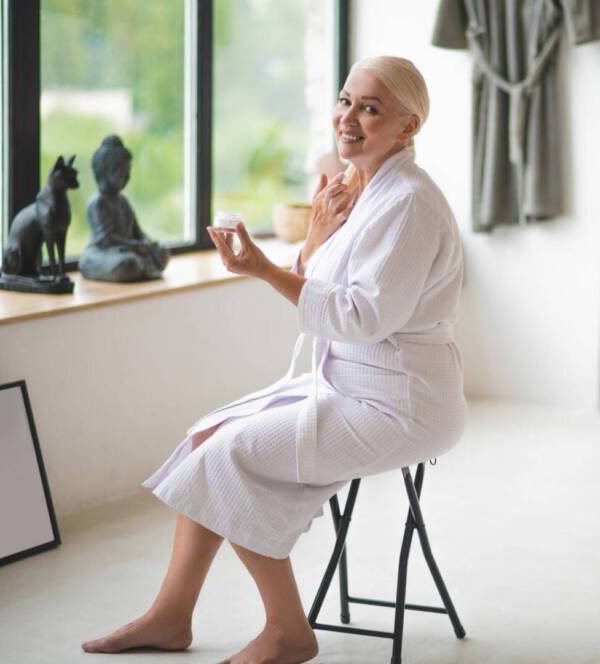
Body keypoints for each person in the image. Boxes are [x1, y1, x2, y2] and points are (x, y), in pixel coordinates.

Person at [81, 55, 467, 664]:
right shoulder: (356, 192)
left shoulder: (409, 204)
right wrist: (314, 240)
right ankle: (171, 615)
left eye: (371, 109)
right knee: (207, 434)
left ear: (407, 127)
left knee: (230, 456)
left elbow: (361, 318)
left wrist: (261, 268)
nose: (350, 118)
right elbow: (323, 287)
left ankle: (288, 632)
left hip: (402, 403)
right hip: (348, 383)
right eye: (346, 101)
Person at [78, 135, 170, 282]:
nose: (127, 177)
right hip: (103, 253)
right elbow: (105, 239)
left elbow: (137, 231)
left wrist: (146, 243)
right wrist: (136, 246)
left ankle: (141, 265)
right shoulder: (98, 203)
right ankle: (139, 266)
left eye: (128, 172)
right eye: (122, 172)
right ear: (106, 172)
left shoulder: (122, 201)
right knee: (128, 264)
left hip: (126, 250)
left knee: (163, 253)